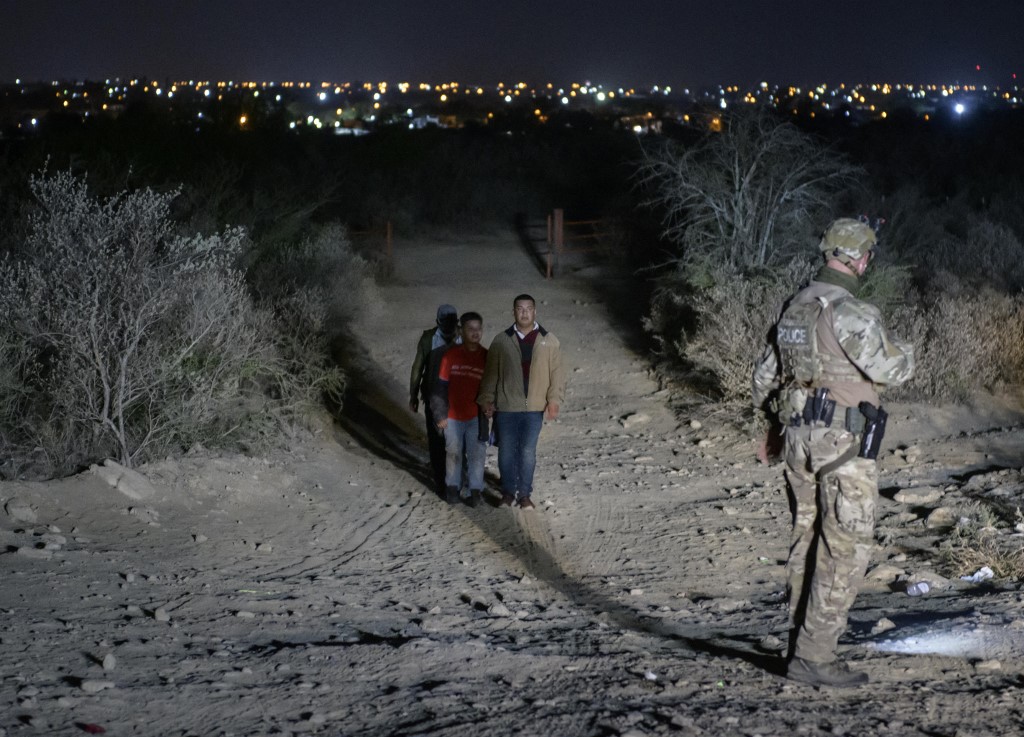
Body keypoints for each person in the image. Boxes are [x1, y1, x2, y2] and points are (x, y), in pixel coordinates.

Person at [752, 217, 915, 687]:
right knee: (844, 550)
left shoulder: (795, 307)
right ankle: (814, 657)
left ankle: (798, 645)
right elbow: (890, 369)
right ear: (861, 258)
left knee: (806, 541)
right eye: (867, 256)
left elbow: (764, 377)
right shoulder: (851, 311)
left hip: (798, 440)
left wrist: (771, 428)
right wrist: (906, 348)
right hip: (843, 445)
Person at [478, 294, 565, 510]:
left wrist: (554, 400)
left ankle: (524, 494)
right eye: (520, 308)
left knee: (527, 451)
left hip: (534, 408)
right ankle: (508, 493)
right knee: (506, 450)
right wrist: (486, 400)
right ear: (514, 312)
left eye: (528, 308)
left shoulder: (549, 340)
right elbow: (490, 374)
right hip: (507, 406)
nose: (524, 312)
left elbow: (558, 374)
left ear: (535, 311)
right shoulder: (501, 340)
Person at [431, 312, 488, 507]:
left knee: (477, 454)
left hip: (476, 417)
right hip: (453, 416)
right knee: (453, 452)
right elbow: (439, 387)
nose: (475, 333)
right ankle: (452, 489)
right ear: (461, 331)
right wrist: (439, 413)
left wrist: (491, 407)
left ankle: (475, 491)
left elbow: (491, 389)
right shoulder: (450, 356)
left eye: (478, 329)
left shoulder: (487, 357)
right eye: (470, 329)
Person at [410, 304, 461, 494]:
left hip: (443, 396)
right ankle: (448, 480)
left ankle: (443, 480)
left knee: (438, 442)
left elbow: (417, 369)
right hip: (440, 397)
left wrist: (413, 395)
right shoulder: (461, 337)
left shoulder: (429, 339)